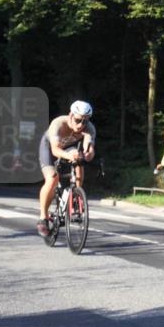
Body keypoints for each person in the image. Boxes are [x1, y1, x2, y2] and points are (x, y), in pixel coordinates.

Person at [37, 101, 96, 236]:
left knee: (79, 161)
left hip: (69, 149)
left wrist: (87, 155)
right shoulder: (58, 123)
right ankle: (43, 217)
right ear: (70, 115)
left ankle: (77, 197)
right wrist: (69, 155)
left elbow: (90, 150)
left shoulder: (89, 129)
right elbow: (55, 150)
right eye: (78, 120)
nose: (81, 124)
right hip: (50, 148)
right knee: (52, 178)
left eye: (85, 122)